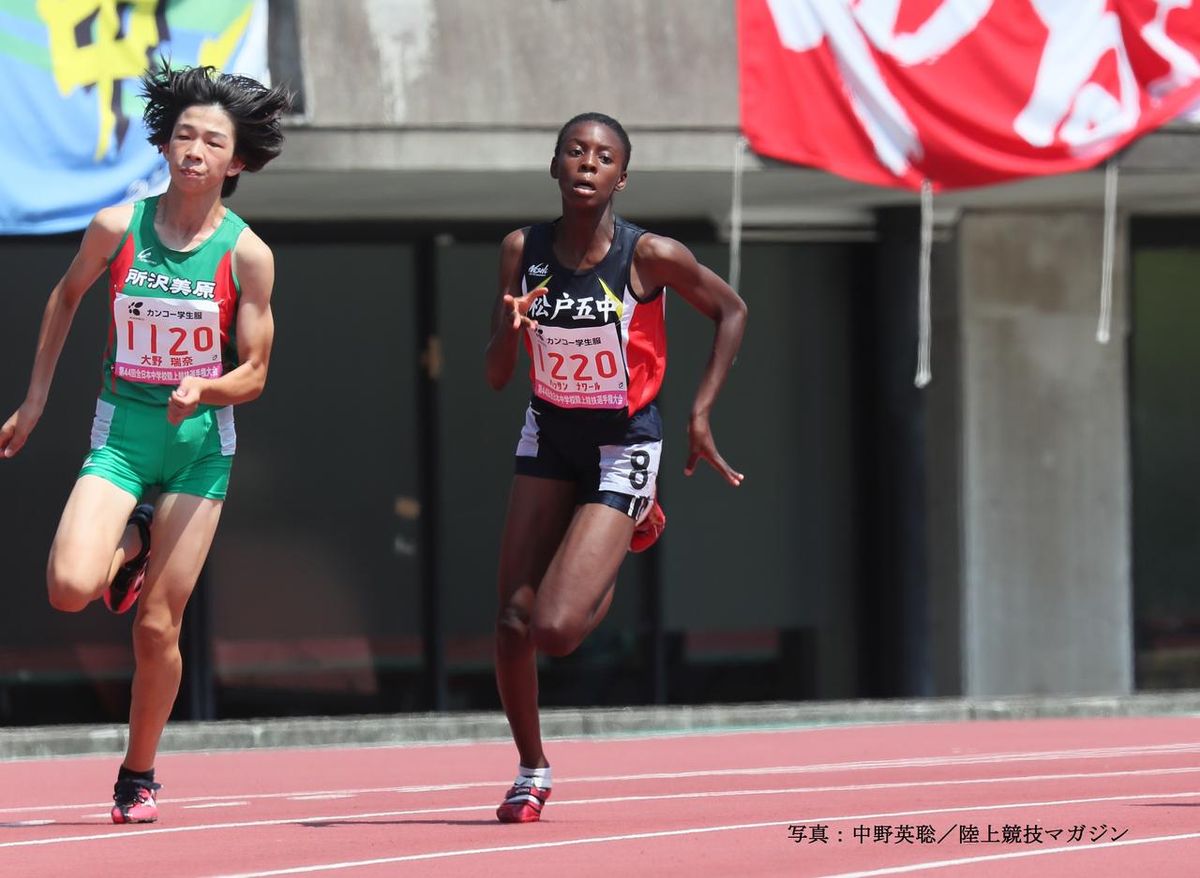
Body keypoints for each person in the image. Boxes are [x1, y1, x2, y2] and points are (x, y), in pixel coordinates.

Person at [0, 64, 291, 824]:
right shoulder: (116, 227)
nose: (195, 149)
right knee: (68, 588)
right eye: (185, 135)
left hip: (199, 449)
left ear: (236, 161)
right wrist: (34, 400)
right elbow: (66, 296)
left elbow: (256, 372)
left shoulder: (248, 255)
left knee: (157, 624)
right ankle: (135, 535)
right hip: (123, 436)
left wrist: (207, 389)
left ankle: (138, 772)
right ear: (164, 145)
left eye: (213, 141)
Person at [485, 112, 748, 823]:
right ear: (555, 165)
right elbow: (496, 375)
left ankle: (631, 521)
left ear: (621, 178)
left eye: (604, 157)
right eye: (575, 152)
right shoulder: (522, 250)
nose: (587, 164)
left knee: (557, 629)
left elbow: (731, 311)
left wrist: (699, 413)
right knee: (511, 621)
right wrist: (510, 328)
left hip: (623, 440)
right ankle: (531, 770)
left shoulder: (650, 255)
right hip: (548, 432)